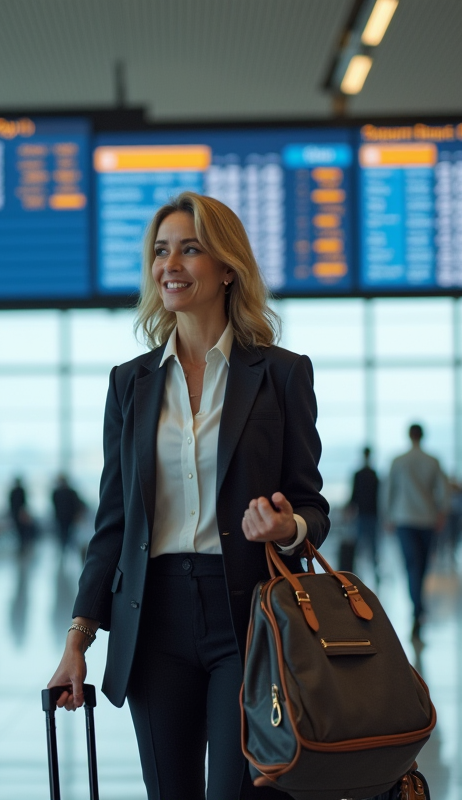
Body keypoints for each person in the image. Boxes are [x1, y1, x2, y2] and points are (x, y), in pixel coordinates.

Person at [47, 192, 329, 799]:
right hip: (154, 619)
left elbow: (313, 507)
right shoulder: (131, 384)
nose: (169, 264)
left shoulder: (280, 374)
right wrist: (78, 639)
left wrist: (289, 528)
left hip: (249, 618)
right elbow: (114, 523)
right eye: (160, 251)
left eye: (190, 249)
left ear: (228, 267)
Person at [386, 423, 449, 641]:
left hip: (404, 518)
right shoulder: (433, 461)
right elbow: (443, 490)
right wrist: (441, 513)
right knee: (422, 565)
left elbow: (388, 490)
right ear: (423, 436)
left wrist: (387, 515)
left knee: (411, 564)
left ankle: (417, 609)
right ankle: (418, 608)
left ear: (408, 435)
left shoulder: (398, 461)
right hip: (427, 519)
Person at [346, 446, 380, 583]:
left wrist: (349, 510)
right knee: (373, 546)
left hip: (362, 514)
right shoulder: (374, 474)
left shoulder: (358, 474)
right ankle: (375, 572)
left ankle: (356, 573)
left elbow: (353, 495)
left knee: (360, 545)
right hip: (372, 514)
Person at [51, 474, 83, 551]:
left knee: (65, 534)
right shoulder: (69, 492)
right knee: (66, 534)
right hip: (65, 518)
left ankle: (65, 548)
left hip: (65, 518)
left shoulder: (57, 493)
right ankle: (65, 548)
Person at [8, 477, 36, 554]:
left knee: (20, 531)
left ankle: (22, 545)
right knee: (21, 531)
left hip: (17, 514)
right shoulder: (19, 491)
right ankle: (22, 545)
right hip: (19, 514)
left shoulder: (14, 491)